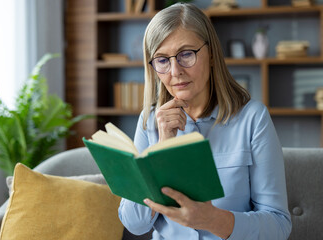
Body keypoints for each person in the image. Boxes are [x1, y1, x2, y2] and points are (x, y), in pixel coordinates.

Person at [118, 3, 292, 240]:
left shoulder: (253, 118)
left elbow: (279, 226)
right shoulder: (150, 122)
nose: (175, 71)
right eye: (162, 60)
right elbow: (135, 225)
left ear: (211, 55)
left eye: (186, 54)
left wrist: (211, 219)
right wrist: (161, 148)